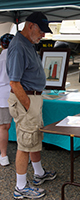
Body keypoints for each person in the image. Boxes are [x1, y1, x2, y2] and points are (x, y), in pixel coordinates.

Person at [7, 12, 57, 199]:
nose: (43, 35)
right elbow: (14, 82)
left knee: (34, 137)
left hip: (32, 98)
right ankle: (20, 187)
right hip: (25, 99)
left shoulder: (27, 43)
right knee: (25, 144)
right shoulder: (19, 47)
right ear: (30, 26)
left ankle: (38, 173)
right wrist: (28, 106)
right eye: (41, 31)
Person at [0, 33, 14, 166]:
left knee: (3, 127)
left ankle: (3, 156)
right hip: (17, 92)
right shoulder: (16, 56)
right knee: (21, 124)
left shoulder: (1, 57)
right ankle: (25, 154)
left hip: (2, 94)